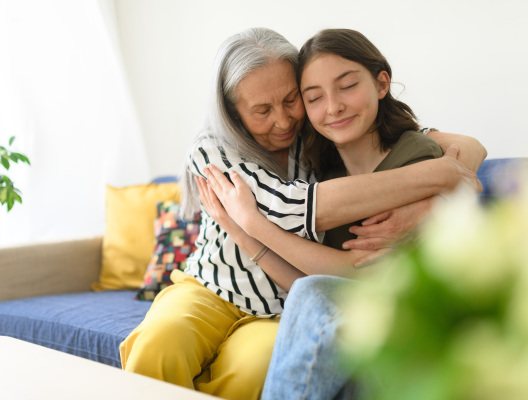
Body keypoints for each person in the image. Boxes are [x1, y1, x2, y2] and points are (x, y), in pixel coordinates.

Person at [119, 27, 484, 400]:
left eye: (291, 99)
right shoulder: (213, 149)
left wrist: (436, 200)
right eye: (262, 110)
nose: (283, 121)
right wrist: (435, 176)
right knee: (161, 343)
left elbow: (462, 146)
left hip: (282, 305)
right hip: (213, 289)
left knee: (255, 366)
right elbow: (292, 209)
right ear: (233, 111)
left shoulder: (320, 131)